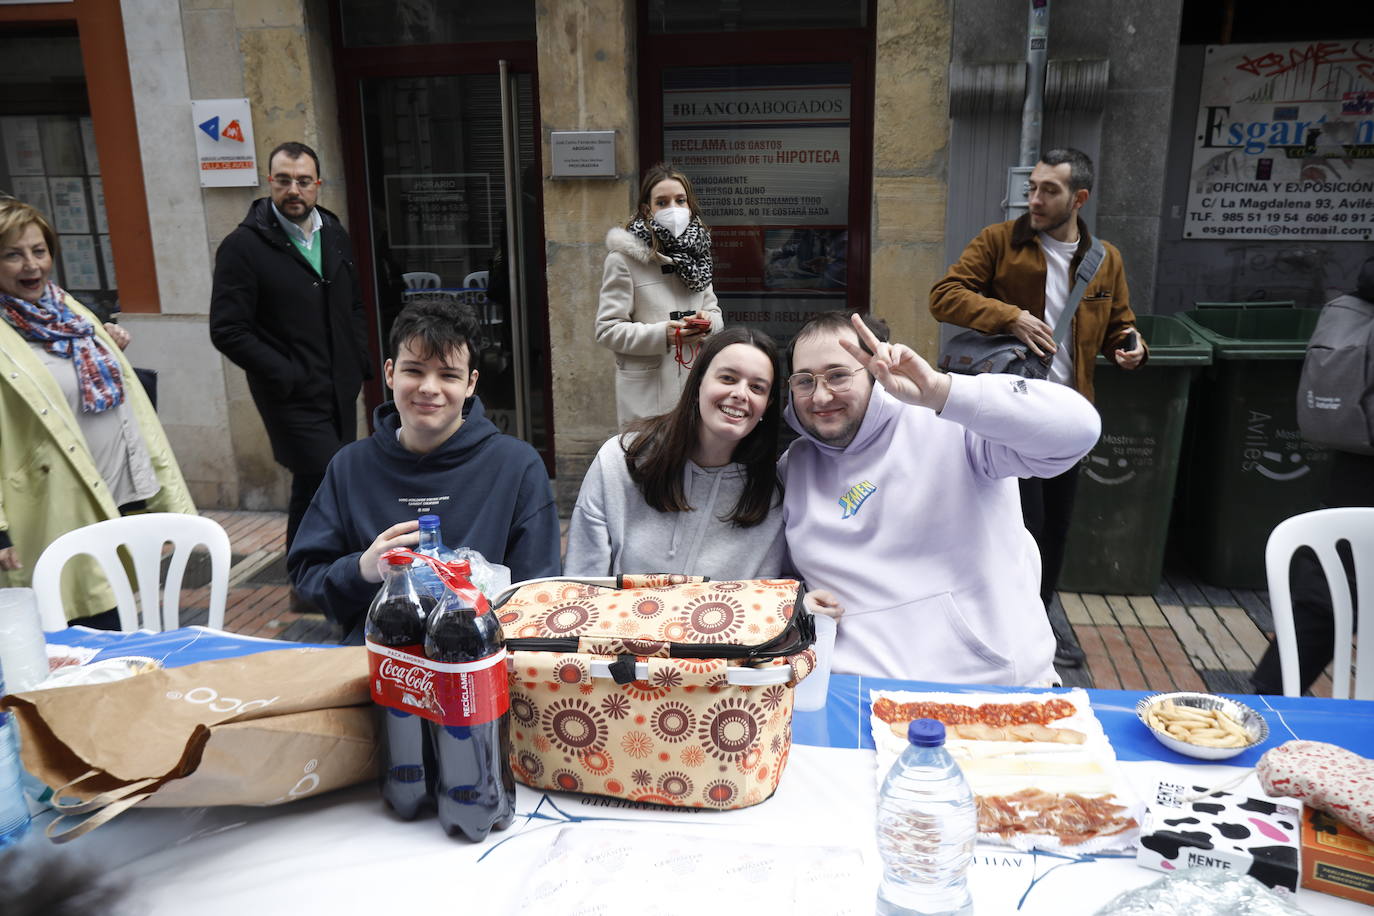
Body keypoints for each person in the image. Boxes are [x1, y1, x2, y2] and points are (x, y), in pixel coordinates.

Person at [779, 311, 1100, 684]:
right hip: (850, 692)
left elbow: (1080, 430)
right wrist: (799, 601)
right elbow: (788, 575)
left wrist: (942, 391)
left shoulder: (953, 427)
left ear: (873, 373)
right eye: (804, 381)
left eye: (837, 375)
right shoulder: (793, 467)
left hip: (985, 688)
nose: (820, 395)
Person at [929, 147, 1146, 669]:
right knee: (1017, 525)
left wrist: (1132, 342)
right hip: (1009, 418)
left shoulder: (1104, 258)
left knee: (1056, 528)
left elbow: (1120, 318)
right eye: (1033, 188)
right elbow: (944, 295)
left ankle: (1043, 614)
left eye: (1050, 190)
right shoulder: (1000, 243)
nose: (1036, 199)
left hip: (1066, 417)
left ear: (1080, 198)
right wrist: (1008, 316)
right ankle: (1009, 618)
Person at [287, 299, 560, 644]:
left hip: (480, 666)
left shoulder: (516, 466)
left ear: (471, 383)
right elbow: (307, 579)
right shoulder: (350, 466)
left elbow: (540, 593)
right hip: (378, 663)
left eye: (448, 375)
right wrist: (363, 569)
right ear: (390, 373)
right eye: (414, 370)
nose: (429, 388)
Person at [0, 197, 194, 626]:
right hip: (49, 509)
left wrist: (104, 348)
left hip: (111, 496)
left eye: (38, 250)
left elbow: (124, 407)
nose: (31, 264)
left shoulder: (68, 311)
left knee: (119, 616)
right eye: (12, 254)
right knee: (78, 625)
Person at [209, 140, 370, 556]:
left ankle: (303, 576)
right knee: (329, 476)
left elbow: (353, 303)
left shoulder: (332, 232)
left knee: (313, 482)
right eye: (283, 181)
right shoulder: (243, 246)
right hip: (291, 394)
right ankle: (328, 571)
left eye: (302, 181)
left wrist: (359, 362)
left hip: (338, 386)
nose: (293, 190)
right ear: (270, 183)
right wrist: (286, 372)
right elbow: (227, 329)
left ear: (317, 184)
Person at [564, 326, 787, 579]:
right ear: (699, 383)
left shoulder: (770, 494)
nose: (739, 394)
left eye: (757, 388)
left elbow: (766, 598)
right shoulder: (620, 460)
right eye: (727, 378)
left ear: (766, 406)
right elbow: (582, 584)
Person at [1251, 256, 1374, 694]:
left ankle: (1274, 692)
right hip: (1364, 462)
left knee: (1328, 588)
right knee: (1328, 590)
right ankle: (1273, 699)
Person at [596, 163, 723, 429]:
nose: (673, 209)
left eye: (680, 200)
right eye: (662, 202)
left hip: (696, 386)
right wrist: (662, 333)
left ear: (690, 205)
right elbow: (607, 330)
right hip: (648, 393)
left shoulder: (698, 256)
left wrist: (706, 323)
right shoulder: (623, 260)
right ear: (647, 209)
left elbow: (715, 315)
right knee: (649, 464)